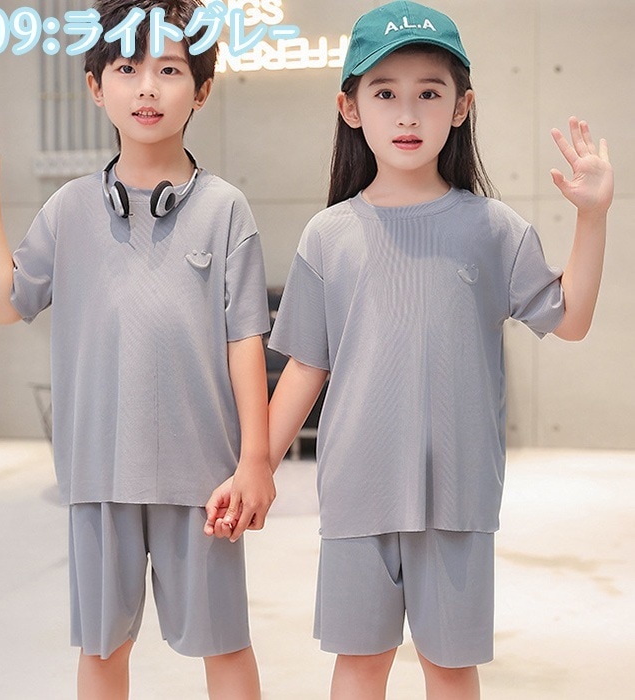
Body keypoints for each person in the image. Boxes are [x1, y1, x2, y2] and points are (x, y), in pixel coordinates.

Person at [260, 2, 613, 699]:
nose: (407, 114)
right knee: (360, 663)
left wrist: (593, 217)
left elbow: (569, 320)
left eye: (429, 93)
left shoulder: (493, 228)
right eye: (384, 92)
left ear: (461, 107)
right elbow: (306, 364)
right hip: (357, 492)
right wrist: (255, 468)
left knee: (450, 669)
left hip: (458, 496)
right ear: (350, 107)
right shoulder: (328, 236)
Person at [0, 1, 275, 698]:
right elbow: (8, 302)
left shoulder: (225, 209)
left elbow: (244, 338)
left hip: (204, 479)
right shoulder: (69, 209)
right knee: (102, 649)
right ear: (96, 87)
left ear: (203, 89)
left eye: (170, 70)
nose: (148, 88)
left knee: (225, 643)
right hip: (99, 473)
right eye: (127, 68)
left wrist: (254, 461)